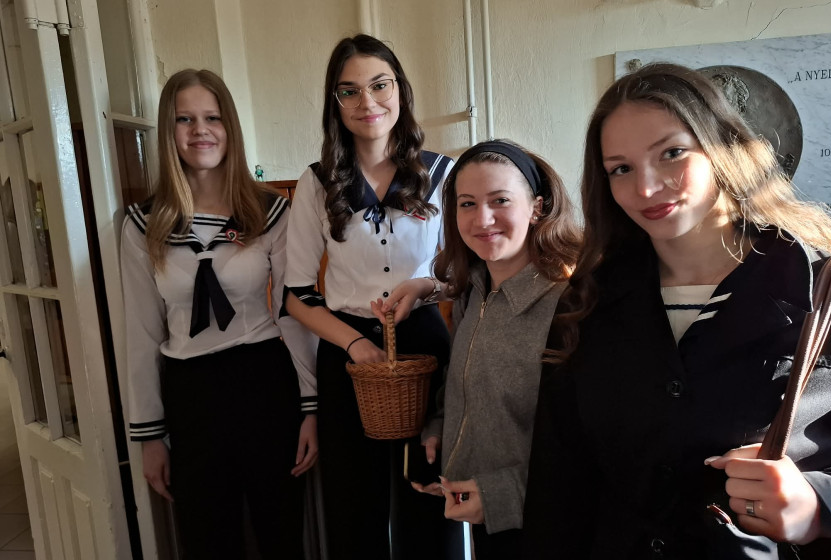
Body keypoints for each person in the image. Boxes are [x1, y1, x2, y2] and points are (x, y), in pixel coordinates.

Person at [523, 62, 831, 559]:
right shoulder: (585, 304)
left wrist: (823, 507)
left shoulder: (830, 297)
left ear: (723, 147)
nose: (646, 188)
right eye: (621, 169)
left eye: (672, 153)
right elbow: (559, 481)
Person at [121, 69, 318, 559]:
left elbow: (292, 312)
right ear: (168, 132)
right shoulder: (143, 225)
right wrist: (149, 435)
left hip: (264, 383)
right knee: (207, 541)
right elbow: (141, 333)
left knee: (281, 534)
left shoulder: (270, 212)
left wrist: (311, 407)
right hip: (190, 395)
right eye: (184, 119)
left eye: (212, 118)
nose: (200, 131)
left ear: (229, 125)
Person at [283, 34, 458, 560]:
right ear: (335, 103)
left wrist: (426, 286)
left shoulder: (441, 175)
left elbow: (463, 277)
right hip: (348, 352)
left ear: (400, 90)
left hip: (424, 343)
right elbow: (296, 295)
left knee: (429, 499)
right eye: (350, 91)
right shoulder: (317, 184)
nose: (368, 102)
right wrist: (356, 346)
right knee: (353, 508)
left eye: (380, 85)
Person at [392, 140, 580, 559]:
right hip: (486, 522)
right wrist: (440, 424)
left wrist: (504, 494)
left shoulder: (570, 305)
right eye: (468, 204)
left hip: (549, 526)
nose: (483, 219)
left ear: (537, 207)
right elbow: (463, 375)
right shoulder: (472, 290)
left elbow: (586, 445)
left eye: (500, 200)